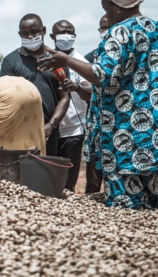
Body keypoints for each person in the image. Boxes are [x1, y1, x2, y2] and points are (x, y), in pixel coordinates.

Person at [38, 0, 158, 210]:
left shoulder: (119, 33)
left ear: (117, 8)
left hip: (124, 135)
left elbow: (101, 76)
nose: (104, 13)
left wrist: (66, 60)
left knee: (126, 205)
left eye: (105, 7)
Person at [0, 14, 70, 156]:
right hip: (20, 133)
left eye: (34, 31)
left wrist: (51, 125)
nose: (30, 36)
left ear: (43, 31)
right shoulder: (10, 61)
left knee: (48, 174)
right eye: (25, 33)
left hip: (50, 133)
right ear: (19, 34)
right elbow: (6, 99)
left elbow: (64, 97)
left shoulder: (57, 59)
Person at [49, 20, 92, 192]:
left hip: (74, 129)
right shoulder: (46, 59)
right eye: (62, 32)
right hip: (49, 127)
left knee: (68, 181)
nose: (66, 35)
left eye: (70, 32)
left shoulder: (80, 61)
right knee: (49, 176)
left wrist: (77, 86)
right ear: (52, 36)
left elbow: (91, 88)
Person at [83, 15, 109, 194]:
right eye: (102, 28)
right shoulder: (90, 58)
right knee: (93, 175)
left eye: (109, 27)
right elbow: (86, 88)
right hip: (96, 123)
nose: (105, 32)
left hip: (117, 124)